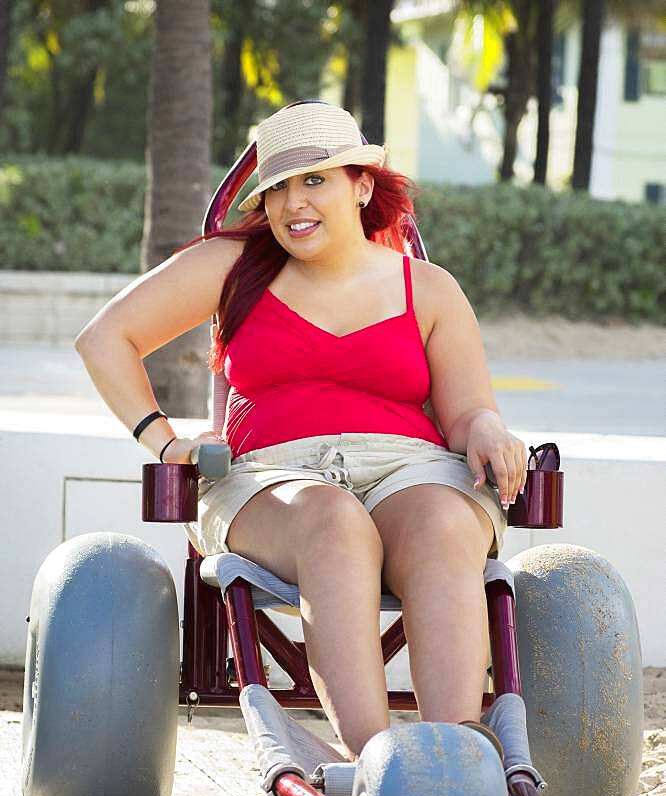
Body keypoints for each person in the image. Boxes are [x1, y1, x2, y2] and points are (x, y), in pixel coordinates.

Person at [75, 100, 526, 762]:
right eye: (278, 187)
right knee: (332, 520)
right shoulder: (235, 266)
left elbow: (466, 412)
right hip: (269, 480)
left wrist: (488, 428)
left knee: (443, 523)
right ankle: (379, 768)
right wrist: (165, 441)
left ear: (362, 186)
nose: (293, 203)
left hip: (410, 470)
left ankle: (455, 767)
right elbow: (104, 338)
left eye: (314, 179)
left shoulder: (429, 289)